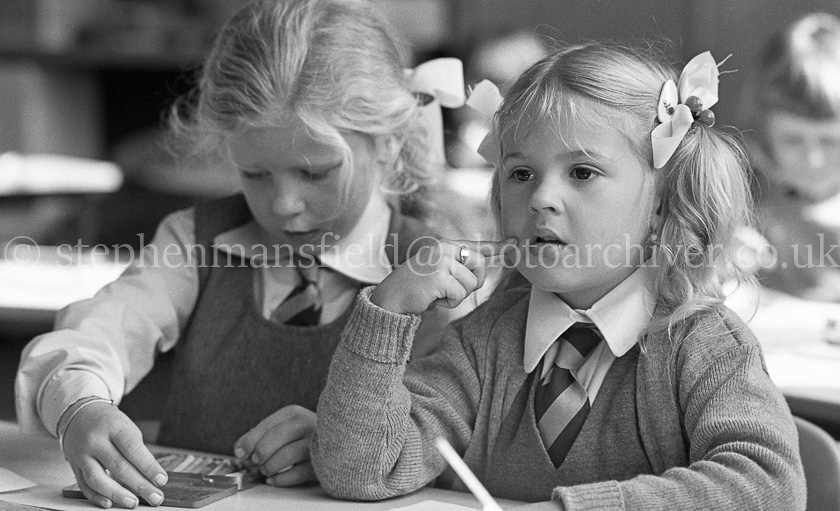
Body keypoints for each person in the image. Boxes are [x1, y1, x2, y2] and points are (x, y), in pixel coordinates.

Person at [310, 42, 806, 510]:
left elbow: (770, 487)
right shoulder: (484, 342)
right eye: (520, 173)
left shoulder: (705, 347)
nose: (541, 198)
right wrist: (387, 310)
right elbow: (362, 472)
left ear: (660, 203)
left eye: (582, 173)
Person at [15, 0, 466, 508]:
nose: (284, 205)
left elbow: (455, 440)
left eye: (314, 172)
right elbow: (99, 332)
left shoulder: (433, 276)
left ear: (388, 144)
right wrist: (80, 409)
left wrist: (350, 442)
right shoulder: (194, 242)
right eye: (254, 174)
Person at [740, 12, 840, 301]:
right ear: (764, 135)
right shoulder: (746, 199)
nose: (813, 160)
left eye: (830, 141)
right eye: (793, 141)